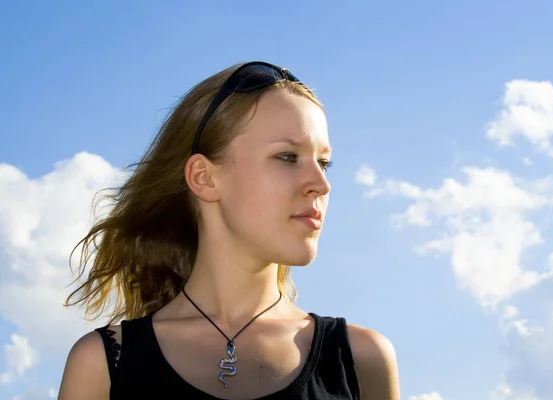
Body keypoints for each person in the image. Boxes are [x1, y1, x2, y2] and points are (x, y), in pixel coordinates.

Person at [57, 61, 400, 399]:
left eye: (323, 162)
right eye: (287, 157)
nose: (321, 184)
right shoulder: (102, 366)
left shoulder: (362, 361)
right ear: (204, 178)